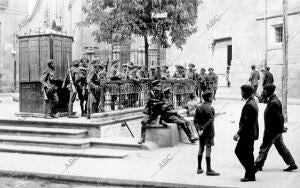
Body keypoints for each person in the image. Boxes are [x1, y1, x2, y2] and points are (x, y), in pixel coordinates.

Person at [255, 84, 297, 172]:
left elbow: (279, 118)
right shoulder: (273, 100)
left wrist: (281, 128)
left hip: (272, 131)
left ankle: (258, 164)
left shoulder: (274, 102)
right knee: (281, 147)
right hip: (275, 130)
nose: (264, 92)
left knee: (264, 147)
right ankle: (292, 164)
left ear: (269, 91)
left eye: (265, 90)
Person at [233, 85, 259, 182]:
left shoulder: (249, 105)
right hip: (250, 132)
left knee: (239, 151)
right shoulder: (252, 102)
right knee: (248, 154)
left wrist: (238, 133)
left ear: (246, 93)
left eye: (242, 92)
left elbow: (247, 122)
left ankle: (251, 171)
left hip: (248, 133)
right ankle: (250, 174)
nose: (241, 94)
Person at [194, 91, 220, 176]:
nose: (212, 98)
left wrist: (199, 129)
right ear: (209, 98)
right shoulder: (210, 108)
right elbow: (210, 120)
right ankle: (209, 170)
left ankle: (199, 168)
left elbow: (195, 121)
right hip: (208, 132)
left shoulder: (198, 108)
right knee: (208, 149)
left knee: (201, 148)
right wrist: (203, 128)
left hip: (200, 133)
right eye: (211, 97)